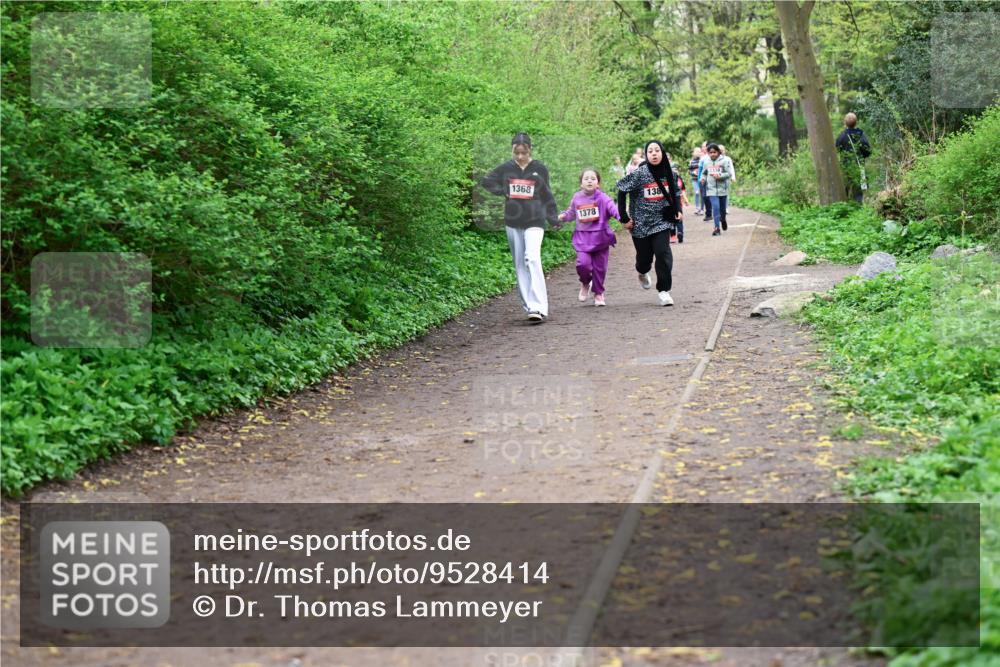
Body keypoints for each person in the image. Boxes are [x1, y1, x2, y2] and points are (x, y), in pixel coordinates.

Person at [480, 132, 560, 323]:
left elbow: (547, 193)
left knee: (532, 258)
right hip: (513, 221)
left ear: (530, 150)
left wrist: (553, 218)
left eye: (524, 153)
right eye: (517, 153)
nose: (520, 156)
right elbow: (486, 181)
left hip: (535, 220)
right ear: (512, 150)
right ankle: (530, 307)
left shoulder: (539, 168)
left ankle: (539, 306)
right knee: (519, 264)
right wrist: (503, 191)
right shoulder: (506, 168)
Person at [615, 140, 681, 307]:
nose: (654, 153)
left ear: (662, 153)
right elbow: (622, 189)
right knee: (644, 260)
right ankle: (642, 271)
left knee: (663, 253)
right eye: (650, 151)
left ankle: (664, 291)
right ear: (646, 155)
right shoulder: (640, 173)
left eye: (657, 150)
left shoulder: (670, 173)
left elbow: (676, 192)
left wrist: (678, 209)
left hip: (662, 221)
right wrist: (624, 217)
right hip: (641, 224)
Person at [556, 168, 620, 307]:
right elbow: (571, 213)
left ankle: (598, 293)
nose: (589, 181)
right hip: (583, 239)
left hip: (601, 239)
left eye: (593, 178)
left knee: (600, 268)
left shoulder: (603, 197)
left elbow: (613, 208)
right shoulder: (577, 197)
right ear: (581, 183)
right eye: (586, 178)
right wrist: (562, 217)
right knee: (582, 264)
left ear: (598, 183)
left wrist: (623, 218)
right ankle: (585, 282)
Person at [835, 112, 872, 203]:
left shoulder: (841, 136)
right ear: (856, 122)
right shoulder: (861, 134)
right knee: (858, 189)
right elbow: (867, 150)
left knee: (846, 187)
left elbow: (837, 149)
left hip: (846, 166)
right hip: (859, 165)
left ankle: (845, 205)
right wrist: (862, 156)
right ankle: (859, 207)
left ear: (845, 122)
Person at [700, 143, 734, 237]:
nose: (713, 154)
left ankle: (723, 219)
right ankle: (716, 228)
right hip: (711, 189)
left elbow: (728, 173)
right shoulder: (706, 162)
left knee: (722, 210)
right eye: (710, 152)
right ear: (708, 153)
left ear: (718, 152)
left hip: (722, 189)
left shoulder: (724, 161)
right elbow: (704, 173)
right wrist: (702, 179)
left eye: (714, 152)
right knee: (715, 208)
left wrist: (720, 176)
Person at [697, 142, 713, 222]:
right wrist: (699, 180)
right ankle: (708, 214)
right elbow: (700, 171)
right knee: (705, 196)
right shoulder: (703, 158)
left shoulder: (717, 158)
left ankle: (713, 213)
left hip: (714, 180)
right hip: (704, 181)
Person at [688, 147, 703, 214]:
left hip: (701, 179)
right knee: (697, 192)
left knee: (702, 193)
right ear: (694, 153)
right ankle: (697, 208)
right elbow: (689, 170)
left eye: (699, 151)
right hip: (694, 179)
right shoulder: (691, 161)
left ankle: (702, 208)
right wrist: (693, 172)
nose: (698, 153)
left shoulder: (702, 160)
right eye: (697, 151)